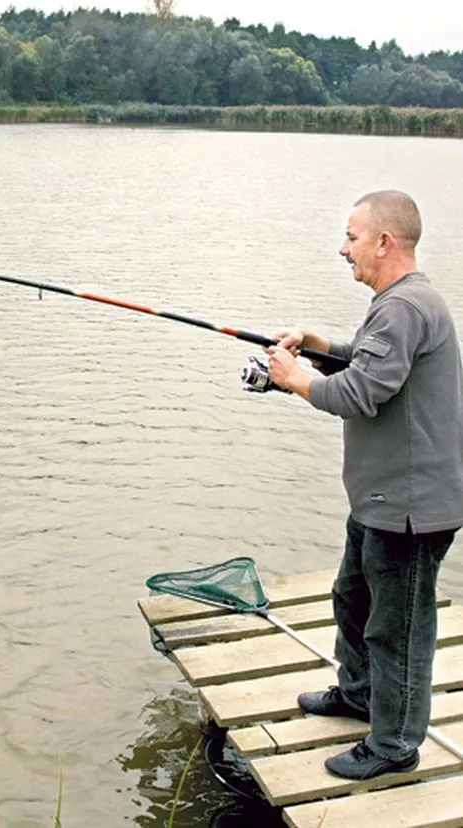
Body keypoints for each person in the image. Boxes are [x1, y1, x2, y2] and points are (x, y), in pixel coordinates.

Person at [265, 189, 463, 781]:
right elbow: (372, 367)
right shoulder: (400, 303)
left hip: (409, 507)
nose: (342, 248)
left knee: (397, 628)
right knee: (352, 598)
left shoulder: (404, 306)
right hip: (380, 500)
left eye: (351, 237)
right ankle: (358, 695)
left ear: (384, 241)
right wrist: (322, 349)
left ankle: (395, 743)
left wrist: (294, 379)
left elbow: (360, 392)